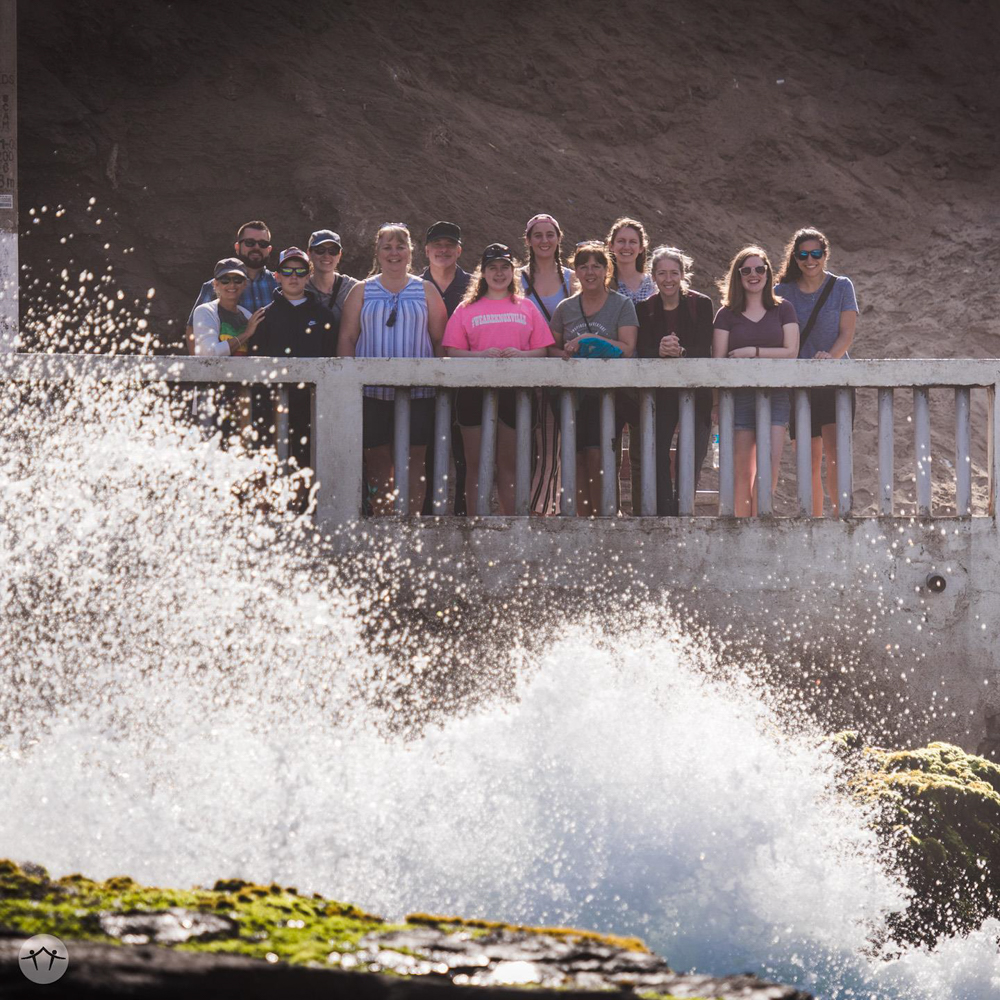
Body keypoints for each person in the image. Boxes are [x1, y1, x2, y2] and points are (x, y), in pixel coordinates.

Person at [338, 224, 448, 516]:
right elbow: (348, 338)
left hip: (419, 392)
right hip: (371, 393)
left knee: (415, 457)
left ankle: (409, 523)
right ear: (377, 252)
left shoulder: (427, 291)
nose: (394, 253)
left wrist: (439, 386)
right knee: (376, 457)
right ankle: (384, 520)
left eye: (400, 246)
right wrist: (347, 386)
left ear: (411, 252)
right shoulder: (361, 291)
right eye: (387, 247)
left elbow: (439, 340)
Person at [443, 244, 553, 514]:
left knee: (509, 466)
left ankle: (509, 530)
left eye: (505, 267)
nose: (499, 273)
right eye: (492, 267)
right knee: (476, 465)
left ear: (513, 272)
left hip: (514, 394)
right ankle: (475, 527)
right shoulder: (466, 309)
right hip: (473, 393)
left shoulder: (526, 307)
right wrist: (479, 357)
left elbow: (544, 349)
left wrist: (521, 355)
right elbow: (452, 351)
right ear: (482, 273)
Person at [775, 227, 859, 517]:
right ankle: (814, 523)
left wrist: (829, 359)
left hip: (835, 379)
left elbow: (847, 334)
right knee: (807, 461)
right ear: (795, 257)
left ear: (825, 255)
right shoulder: (781, 291)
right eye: (803, 255)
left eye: (816, 254)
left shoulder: (842, 286)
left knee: (837, 459)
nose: (810, 260)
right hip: (799, 384)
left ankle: (840, 521)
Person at [550, 241, 638, 516]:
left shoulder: (621, 304)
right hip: (573, 395)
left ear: (606, 270)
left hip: (607, 397)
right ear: (575, 271)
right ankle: (581, 523)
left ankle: (605, 521)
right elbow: (549, 347)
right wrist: (563, 353)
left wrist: (591, 339)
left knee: (598, 457)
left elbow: (627, 348)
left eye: (596, 266)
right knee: (575, 459)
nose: (590, 272)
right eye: (583, 266)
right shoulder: (566, 307)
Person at [713, 246, 800, 517]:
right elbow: (718, 362)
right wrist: (716, 404)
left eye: (760, 269)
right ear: (738, 276)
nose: (754, 275)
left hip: (775, 396)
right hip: (738, 398)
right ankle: (741, 532)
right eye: (747, 270)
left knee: (769, 467)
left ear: (767, 273)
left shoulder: (783, 308)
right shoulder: (726, 314)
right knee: (743, 471)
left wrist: (753, 352)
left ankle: (760, 526)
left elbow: (791, 352)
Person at [633, 247, 714, 515]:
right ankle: (664, 511)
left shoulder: (700, 304)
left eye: (674, 273)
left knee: (690, 455)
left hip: (696, 393)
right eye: (662, 273)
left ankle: (684, 510)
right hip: (660, 395)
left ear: (682, 274)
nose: (668, 279)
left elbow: (705, 347)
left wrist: (681, 352)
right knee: (656, 453)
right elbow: (641, 349)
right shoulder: (644, 309)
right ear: (653, 276)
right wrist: (659, 349)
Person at [249, 248, 337, 493]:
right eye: (287, 270)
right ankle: (269, 514)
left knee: (306, 460)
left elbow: (332, 359)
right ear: (277, 276)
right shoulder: (264, 316)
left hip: (310, 404)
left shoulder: (323, 315)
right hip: (272, 403)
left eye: (300, 270)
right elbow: (256, 363)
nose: (293, 276)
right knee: (268, 461)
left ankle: (306, 511)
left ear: (309, 275)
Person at [520, 213, 578, 515]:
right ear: (528, 240)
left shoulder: (572, 278)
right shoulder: (516, 277)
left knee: (551, 446)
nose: (544, 241)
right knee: (525, 446)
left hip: (560, 367)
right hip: (524, 366)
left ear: (558, 239)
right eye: (537, 235)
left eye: (550, 235)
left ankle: (542, 511)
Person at [421, 221, 474, 515]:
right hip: (422, 380)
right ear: (426, 250)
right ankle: (427, 511)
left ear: (459, 250)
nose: (443, 250)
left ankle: (463, 512)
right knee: (424, 447)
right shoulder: (412, 285)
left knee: (465, 450)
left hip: (465, 379)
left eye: (450, 245)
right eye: (438, 245)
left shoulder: (474, 286)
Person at [185, 220, 277, 353]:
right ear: (237, 247)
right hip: (226, 367)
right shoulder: (214, 286)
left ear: (269, 249)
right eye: (250, 243)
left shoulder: (280, 285)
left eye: (262, 244)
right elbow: (193, 329)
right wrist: (199, 369)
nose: (256, 247)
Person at [190, 258, 267, 357]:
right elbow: (210, 353)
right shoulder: (204, 312)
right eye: (225, 280)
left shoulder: (248, 317)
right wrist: (246, 334)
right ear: (215, 284)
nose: (232, 285)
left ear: (245, 284)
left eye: (237, 280)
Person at [305, 229, 359, 339]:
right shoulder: (300, 290)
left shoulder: (353, 288)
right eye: (320, 250)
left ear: (339, 255)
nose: (326, 255)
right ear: (309, 254)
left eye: (333, 251)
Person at [606, 217, 655, 304]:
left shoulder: (653, 285)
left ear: (641, 248)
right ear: (611, 246)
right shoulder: (604, 285)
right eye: (621, 241)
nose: (626, 247)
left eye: (632, 242)